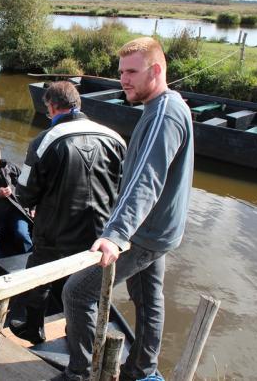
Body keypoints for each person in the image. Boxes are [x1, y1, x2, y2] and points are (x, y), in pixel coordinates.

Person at [57, 37, 194, 381]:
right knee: (148, 299)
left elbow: (147, 178)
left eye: (132, 71)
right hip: (159, 228)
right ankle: (142, 370)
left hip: (144, 233)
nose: (124, 79)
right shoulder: (168, 105)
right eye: (121, 72)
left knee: (76, 292)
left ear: (157, 69)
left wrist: (115, 235)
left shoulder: (163, 114)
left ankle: (82, 373)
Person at [10, 80, 127, 345]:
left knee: (38, 277)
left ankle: (32, 328)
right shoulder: (115, 138)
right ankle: (80, 331)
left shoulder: (44, 140)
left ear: (51, 106)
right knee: (89, 285)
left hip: (54, 232)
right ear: (78, 104)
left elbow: (25, 192)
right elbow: (125, 186)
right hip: (100, 233)